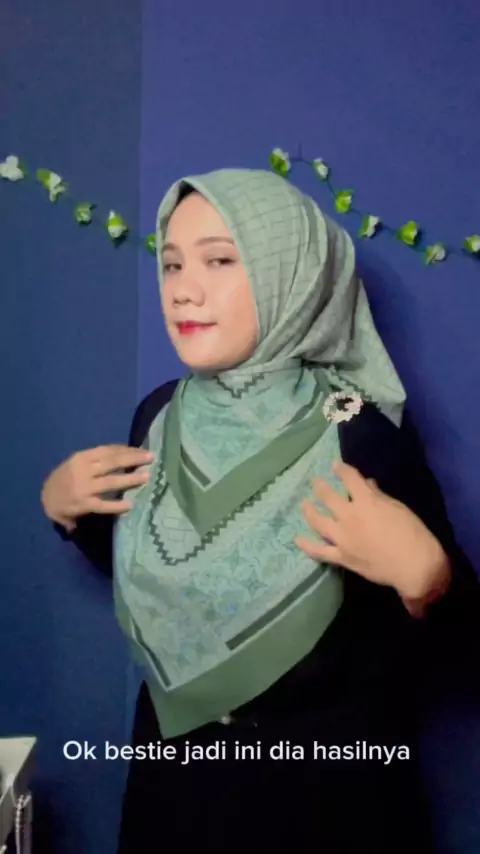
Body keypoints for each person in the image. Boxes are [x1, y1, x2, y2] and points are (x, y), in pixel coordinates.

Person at [41, 169, 480, 853]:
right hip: (173, 784)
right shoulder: (160, 415)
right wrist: (72, 516)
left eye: (220, 261)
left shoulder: (355, 430)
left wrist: (431, 581)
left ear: (290, 276)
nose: (184, 289)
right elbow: (171, 566)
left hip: (323, 802)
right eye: (172, 264)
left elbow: (459, 651)